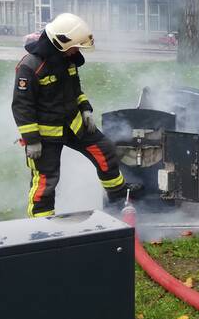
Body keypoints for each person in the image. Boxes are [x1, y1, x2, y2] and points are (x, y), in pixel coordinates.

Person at [11, 13, 140, 217]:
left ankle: (118, 200)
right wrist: (32, 140)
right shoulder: (30, 66)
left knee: (105, 150)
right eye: (76, 46)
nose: (77, 51)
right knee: (47, 180)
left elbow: (76, 90)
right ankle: (40, 226)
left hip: (74, 125)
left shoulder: (67, 59)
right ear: (60, 42)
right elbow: (21, 106)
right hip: (45, 136)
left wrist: (85, 108)